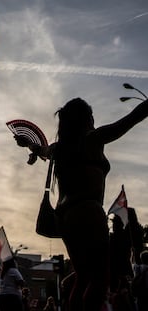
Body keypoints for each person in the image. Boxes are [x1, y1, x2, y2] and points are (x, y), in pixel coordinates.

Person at [16, 97, 148, 311]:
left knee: (83, 278)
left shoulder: (59, 149)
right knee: (99, 279)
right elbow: (129, 121)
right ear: (87, 119)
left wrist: (27, 144)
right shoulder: (94, 138)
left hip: (66, 219)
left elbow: (41, 150)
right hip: (90, 212)